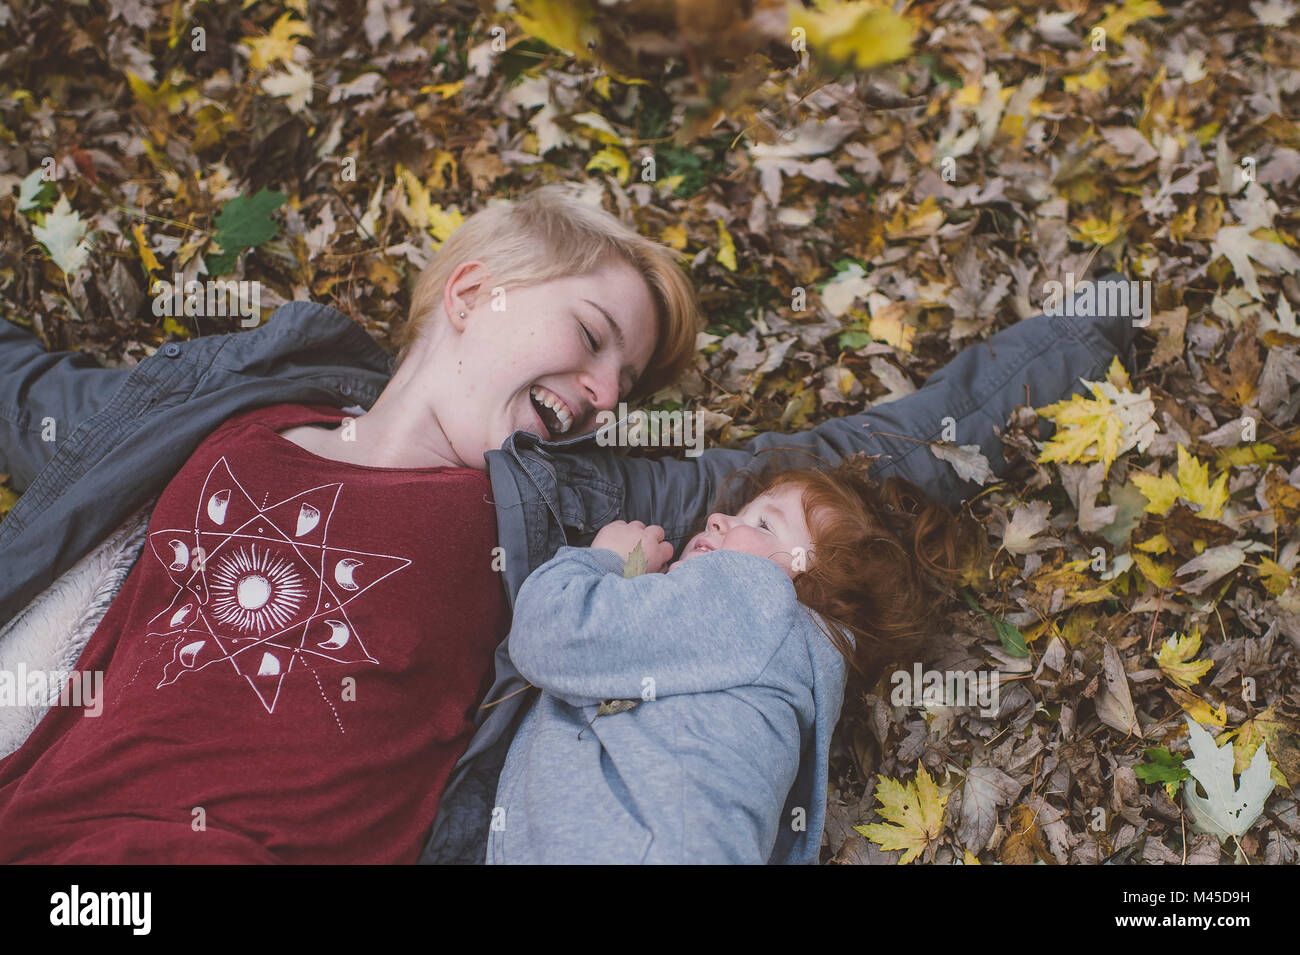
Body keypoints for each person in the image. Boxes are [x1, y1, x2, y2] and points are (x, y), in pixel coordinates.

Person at [0, 177, 1141, 862]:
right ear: (475, 287)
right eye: (592, 336)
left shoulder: (574, 503)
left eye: (624, 385)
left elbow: (861, 454)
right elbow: (27, 398)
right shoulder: (229, 409)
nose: (602, 395)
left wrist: (1089, 333)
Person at [489, 456, 964, 863]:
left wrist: (604, 559)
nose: (717, 517)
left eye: (762, 524)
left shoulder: (755, 597)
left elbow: (549, 635)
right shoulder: (791, 672)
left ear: (804, 582)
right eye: (740, 512)